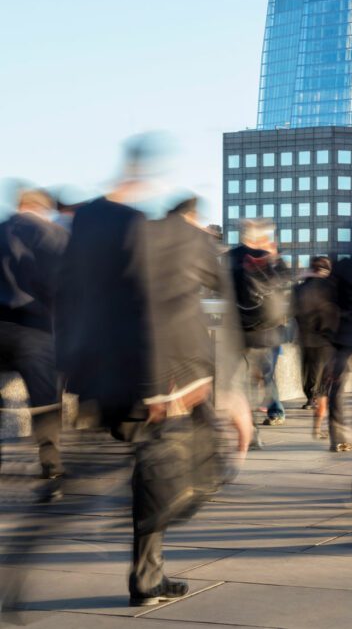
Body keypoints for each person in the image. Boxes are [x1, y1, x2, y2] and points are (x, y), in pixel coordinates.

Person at [53, 136, 249, 606]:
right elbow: (210, 315)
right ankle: (146, 548)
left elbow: (70, 301)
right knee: (191, 466)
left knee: (149, 464)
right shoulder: (180, 238)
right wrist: (230, 392)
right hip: (165, 381)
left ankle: (146, 571)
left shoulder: (91, 228)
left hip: (107, 377)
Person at [0, 188, 68, 499]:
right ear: (41, 208)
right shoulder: (50, 234)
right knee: (44, 402)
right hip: (35, 329)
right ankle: (50, 467)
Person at [228, 220, 290, 429]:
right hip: (267, 326)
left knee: (245, 375)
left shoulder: (233, 257)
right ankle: (273, 411)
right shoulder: (269, 255)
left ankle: (252, 419)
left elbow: (223, 285)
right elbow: (284, 282)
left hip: (244, 325)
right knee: (266, 373)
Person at [323, 253, 352, 453]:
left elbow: (330, 300)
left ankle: (338, 437)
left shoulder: (342, 267)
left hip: (345, 333)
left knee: (337, 386)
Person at [292, 256, 338, 439]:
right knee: (326, 386)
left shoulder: (299, 288)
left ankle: (312, 402)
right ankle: (319, 424)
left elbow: (293, 312)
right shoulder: (332, 288)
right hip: (327, 342)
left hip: (305, 340)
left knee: (311, 381)